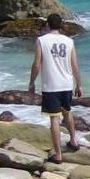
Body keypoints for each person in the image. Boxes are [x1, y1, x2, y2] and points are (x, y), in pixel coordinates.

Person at [28, 13, 82, 163]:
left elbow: (37, 64)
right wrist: (79, 84)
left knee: (54, 119)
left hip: (51, 85)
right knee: (67, 112)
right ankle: (73, 141)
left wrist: (32, 82)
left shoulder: (41, 40)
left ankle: (58, 154)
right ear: (61, 25)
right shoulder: (69, 41)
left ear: (47, 25)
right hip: (66, 84)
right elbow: (75, 65)